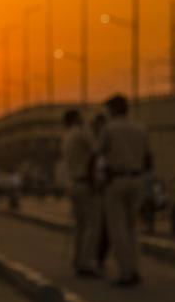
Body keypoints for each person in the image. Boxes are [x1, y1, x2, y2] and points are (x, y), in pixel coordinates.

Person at [99, 94, 152, 287]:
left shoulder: (109, 129)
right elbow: (148, 159)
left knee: (118, 230)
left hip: (116, 181)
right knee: (132, 229)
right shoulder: (141, 129)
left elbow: (100, 155)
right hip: (137, 180)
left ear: (113, 110)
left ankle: (125, 272)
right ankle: (135, 269)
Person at [61, 109, 100, 278]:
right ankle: (86, 263)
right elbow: (96, 151)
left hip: (74, 184)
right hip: (85, 183)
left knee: (80, 226)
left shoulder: (67, 137)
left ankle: (78, 260)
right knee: (92, 225)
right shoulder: (81, 133)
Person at [90, 113, 110, 270]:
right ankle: (97, 257)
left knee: (106, 226)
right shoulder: (93, 143)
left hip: (108, 187)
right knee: (98, 225)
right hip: (97, 190)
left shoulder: (109, 140)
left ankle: (100, 256)